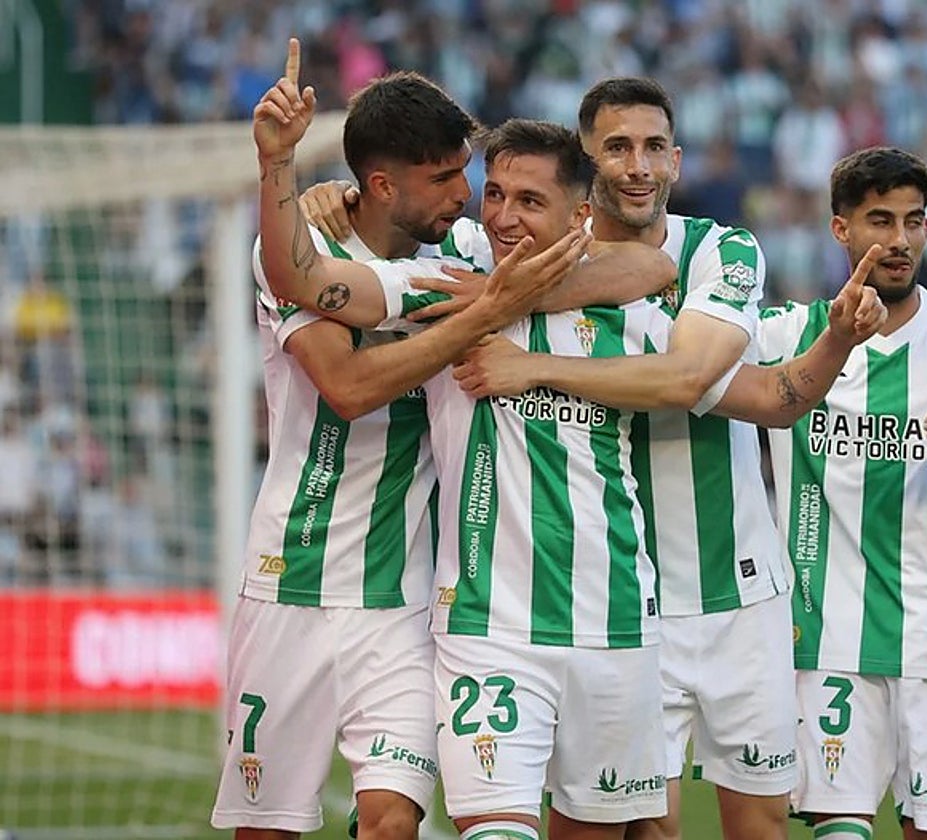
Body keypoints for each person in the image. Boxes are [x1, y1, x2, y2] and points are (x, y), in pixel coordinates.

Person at [254, 52, 677, 840]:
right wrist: (282, 169)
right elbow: (312, 287)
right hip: (461, 615)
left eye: (528, 199)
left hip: (612, 617)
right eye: (490, 193)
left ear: (579, 215)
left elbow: (651, 263)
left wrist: (514, 302)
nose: (500, 214)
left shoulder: (625, 301)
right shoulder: (445, 274)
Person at [453, 77, 804, 840]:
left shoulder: (722, 248)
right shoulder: (520, 244)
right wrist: (329, 203)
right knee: (644, 830)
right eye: (616, 147)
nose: (638, 166)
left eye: (652, 148)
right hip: (612, 597)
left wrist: (532, 359)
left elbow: (687, 377)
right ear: (585, 165)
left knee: (761, 827)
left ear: (676, 161)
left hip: (737, 587)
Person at [707, 147, 927, 840]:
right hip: (825, 640)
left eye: (915, 221)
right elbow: (687, 375)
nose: (900, 240)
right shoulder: (788, 338)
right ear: (841, 230)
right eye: (881, 221)